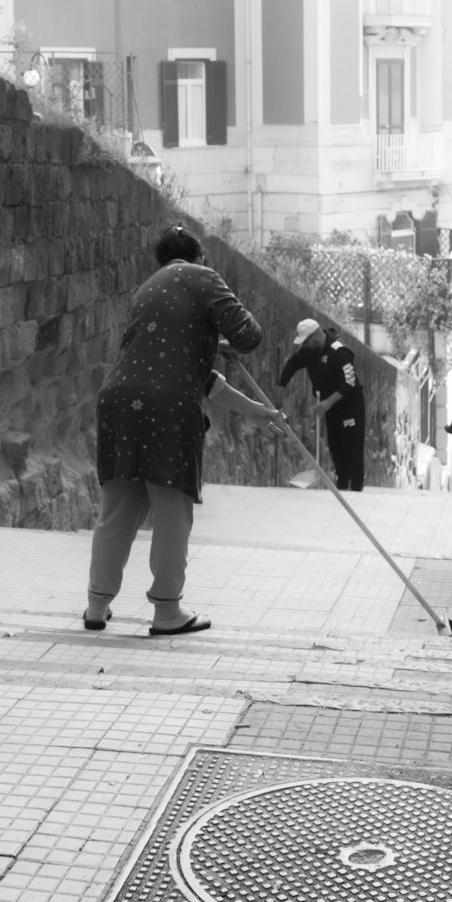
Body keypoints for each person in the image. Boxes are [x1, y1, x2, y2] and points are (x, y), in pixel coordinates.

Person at [84, 224, 283, 637]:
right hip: (168, 412)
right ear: (200, 257)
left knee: (118, 510)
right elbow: (249, 336)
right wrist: (221, 332)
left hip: (119, 401)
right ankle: (167, 611)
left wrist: (254, 409)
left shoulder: (146, 291)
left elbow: (188, 371)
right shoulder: (202, 276)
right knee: (172, 510)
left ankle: (96, 606)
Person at [278, 319, 366, 491]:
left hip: (349, 405)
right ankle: (341, 484)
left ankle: (356, 487)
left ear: (317, 334)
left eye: (308, 341)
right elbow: (292, 364)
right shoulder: (309, 351)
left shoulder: (338, 352)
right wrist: (281, 386)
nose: (306, 345)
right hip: (330, 407)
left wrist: (327, 403)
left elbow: (349, 382)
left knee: (352, 445)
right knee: (335, 445)